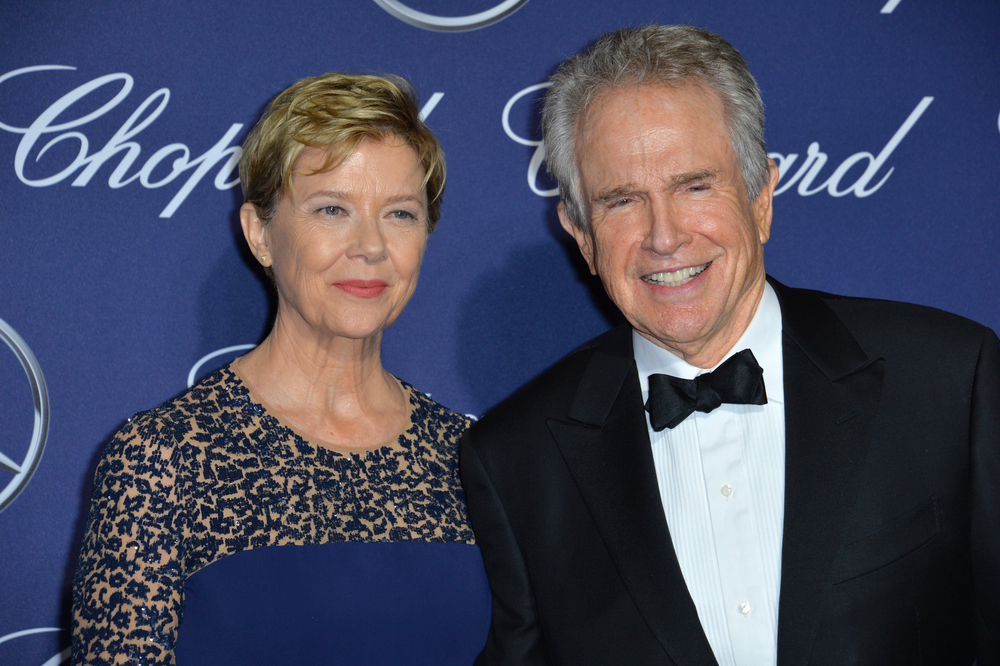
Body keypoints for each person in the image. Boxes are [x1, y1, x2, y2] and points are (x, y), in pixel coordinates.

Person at [460, 25, 999, 666]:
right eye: (623, 200)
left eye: (694, 186)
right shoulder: (519, 460)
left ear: (761, 196)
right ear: (580, 234)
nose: (664, 236)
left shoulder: (947, 380)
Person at [72, 72, 491, 664]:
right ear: (260, 233)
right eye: (332, 209)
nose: (370, 245)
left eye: (399, 214)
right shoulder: (164, 458)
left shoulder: (469, 454)